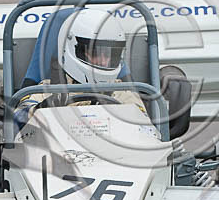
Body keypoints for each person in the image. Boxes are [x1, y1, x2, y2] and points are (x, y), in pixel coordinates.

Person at [14, 8, 147, 130]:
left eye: (111, 54)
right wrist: (42, 109)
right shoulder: (46, 90)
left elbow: (146, 131)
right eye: (95, 53)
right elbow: (15, 124)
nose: (104, 61)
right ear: (72, 48)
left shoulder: (122, 91)